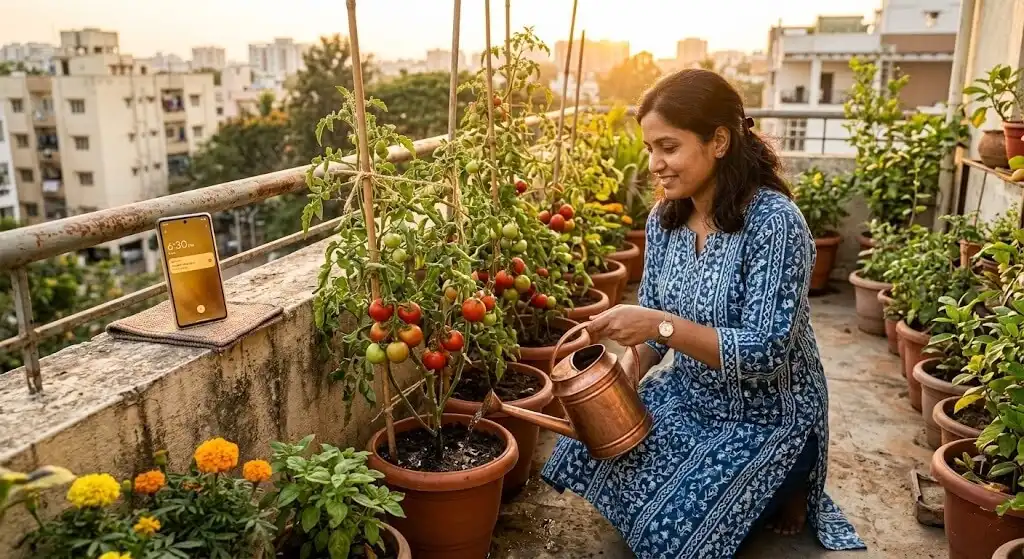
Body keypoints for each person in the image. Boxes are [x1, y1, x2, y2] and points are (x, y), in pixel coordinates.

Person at [540, 69, 866, 558]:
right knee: (591, 452)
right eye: (650, 148)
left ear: (718, 141)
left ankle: (795, 479)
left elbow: (766, 352)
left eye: (668, 147)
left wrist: (660, 326)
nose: (655, 163)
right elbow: (651, 323)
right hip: (691, 395)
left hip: (766, 413)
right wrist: (627, 376)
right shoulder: (665, 219)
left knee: (671, 536)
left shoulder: (775, 224)